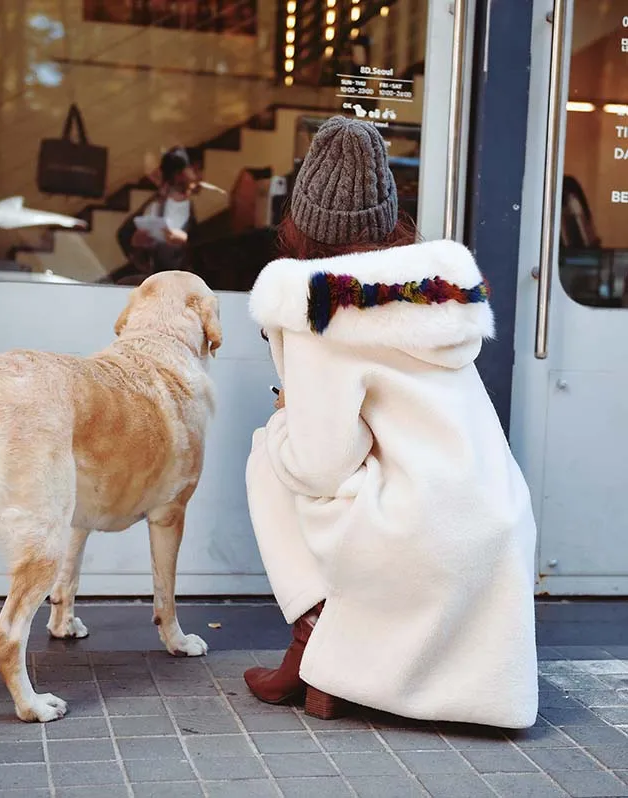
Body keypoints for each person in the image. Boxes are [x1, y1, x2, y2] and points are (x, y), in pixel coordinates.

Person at [243, 116, 538, 728]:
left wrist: (285, 419)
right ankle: (329, 655)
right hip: (497, 530)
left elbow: (322, 463)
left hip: (418, 534)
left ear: (301, 221)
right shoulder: (431, 296)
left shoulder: (317, 308)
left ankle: (316, 643)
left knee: (269, 457)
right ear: (389, 220)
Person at [116, 146, 198, 281]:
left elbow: (202, 245)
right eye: (192, 170)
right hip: (156, 278)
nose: (196, 176)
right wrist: (136, 243)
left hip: (184, 281)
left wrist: (184, 240)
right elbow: (125, 235)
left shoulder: (192, 206)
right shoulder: (155, 204)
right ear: (179, 175)